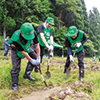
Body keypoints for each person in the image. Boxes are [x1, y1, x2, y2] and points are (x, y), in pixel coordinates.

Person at [8, 22, 41, 91]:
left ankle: (27, 74)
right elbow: (23, 52)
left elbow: (37, 45)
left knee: (34, 57)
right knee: (16, 67)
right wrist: (31, 60)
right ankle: (15, 84)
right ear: (21, 31)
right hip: (15, 49)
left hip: (27, 46)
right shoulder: (16, 37)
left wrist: (38, 57)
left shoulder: (33, 33)